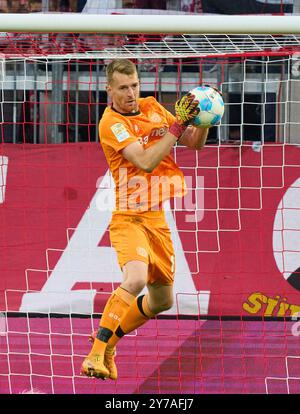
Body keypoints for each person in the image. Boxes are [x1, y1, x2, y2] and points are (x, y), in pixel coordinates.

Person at [80, 59, 211, 380]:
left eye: (135, 85)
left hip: (157, 220)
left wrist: (205, 118)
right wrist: (178, 127)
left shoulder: (152, 108)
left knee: (162, 301)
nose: (131, 93)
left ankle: (110, 344)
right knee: (135, 279)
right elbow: (147, 161)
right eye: (123, 88)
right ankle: (94, 355)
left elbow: (194, 142)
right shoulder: (111, 124)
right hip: (129, 217)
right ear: (109, 90)